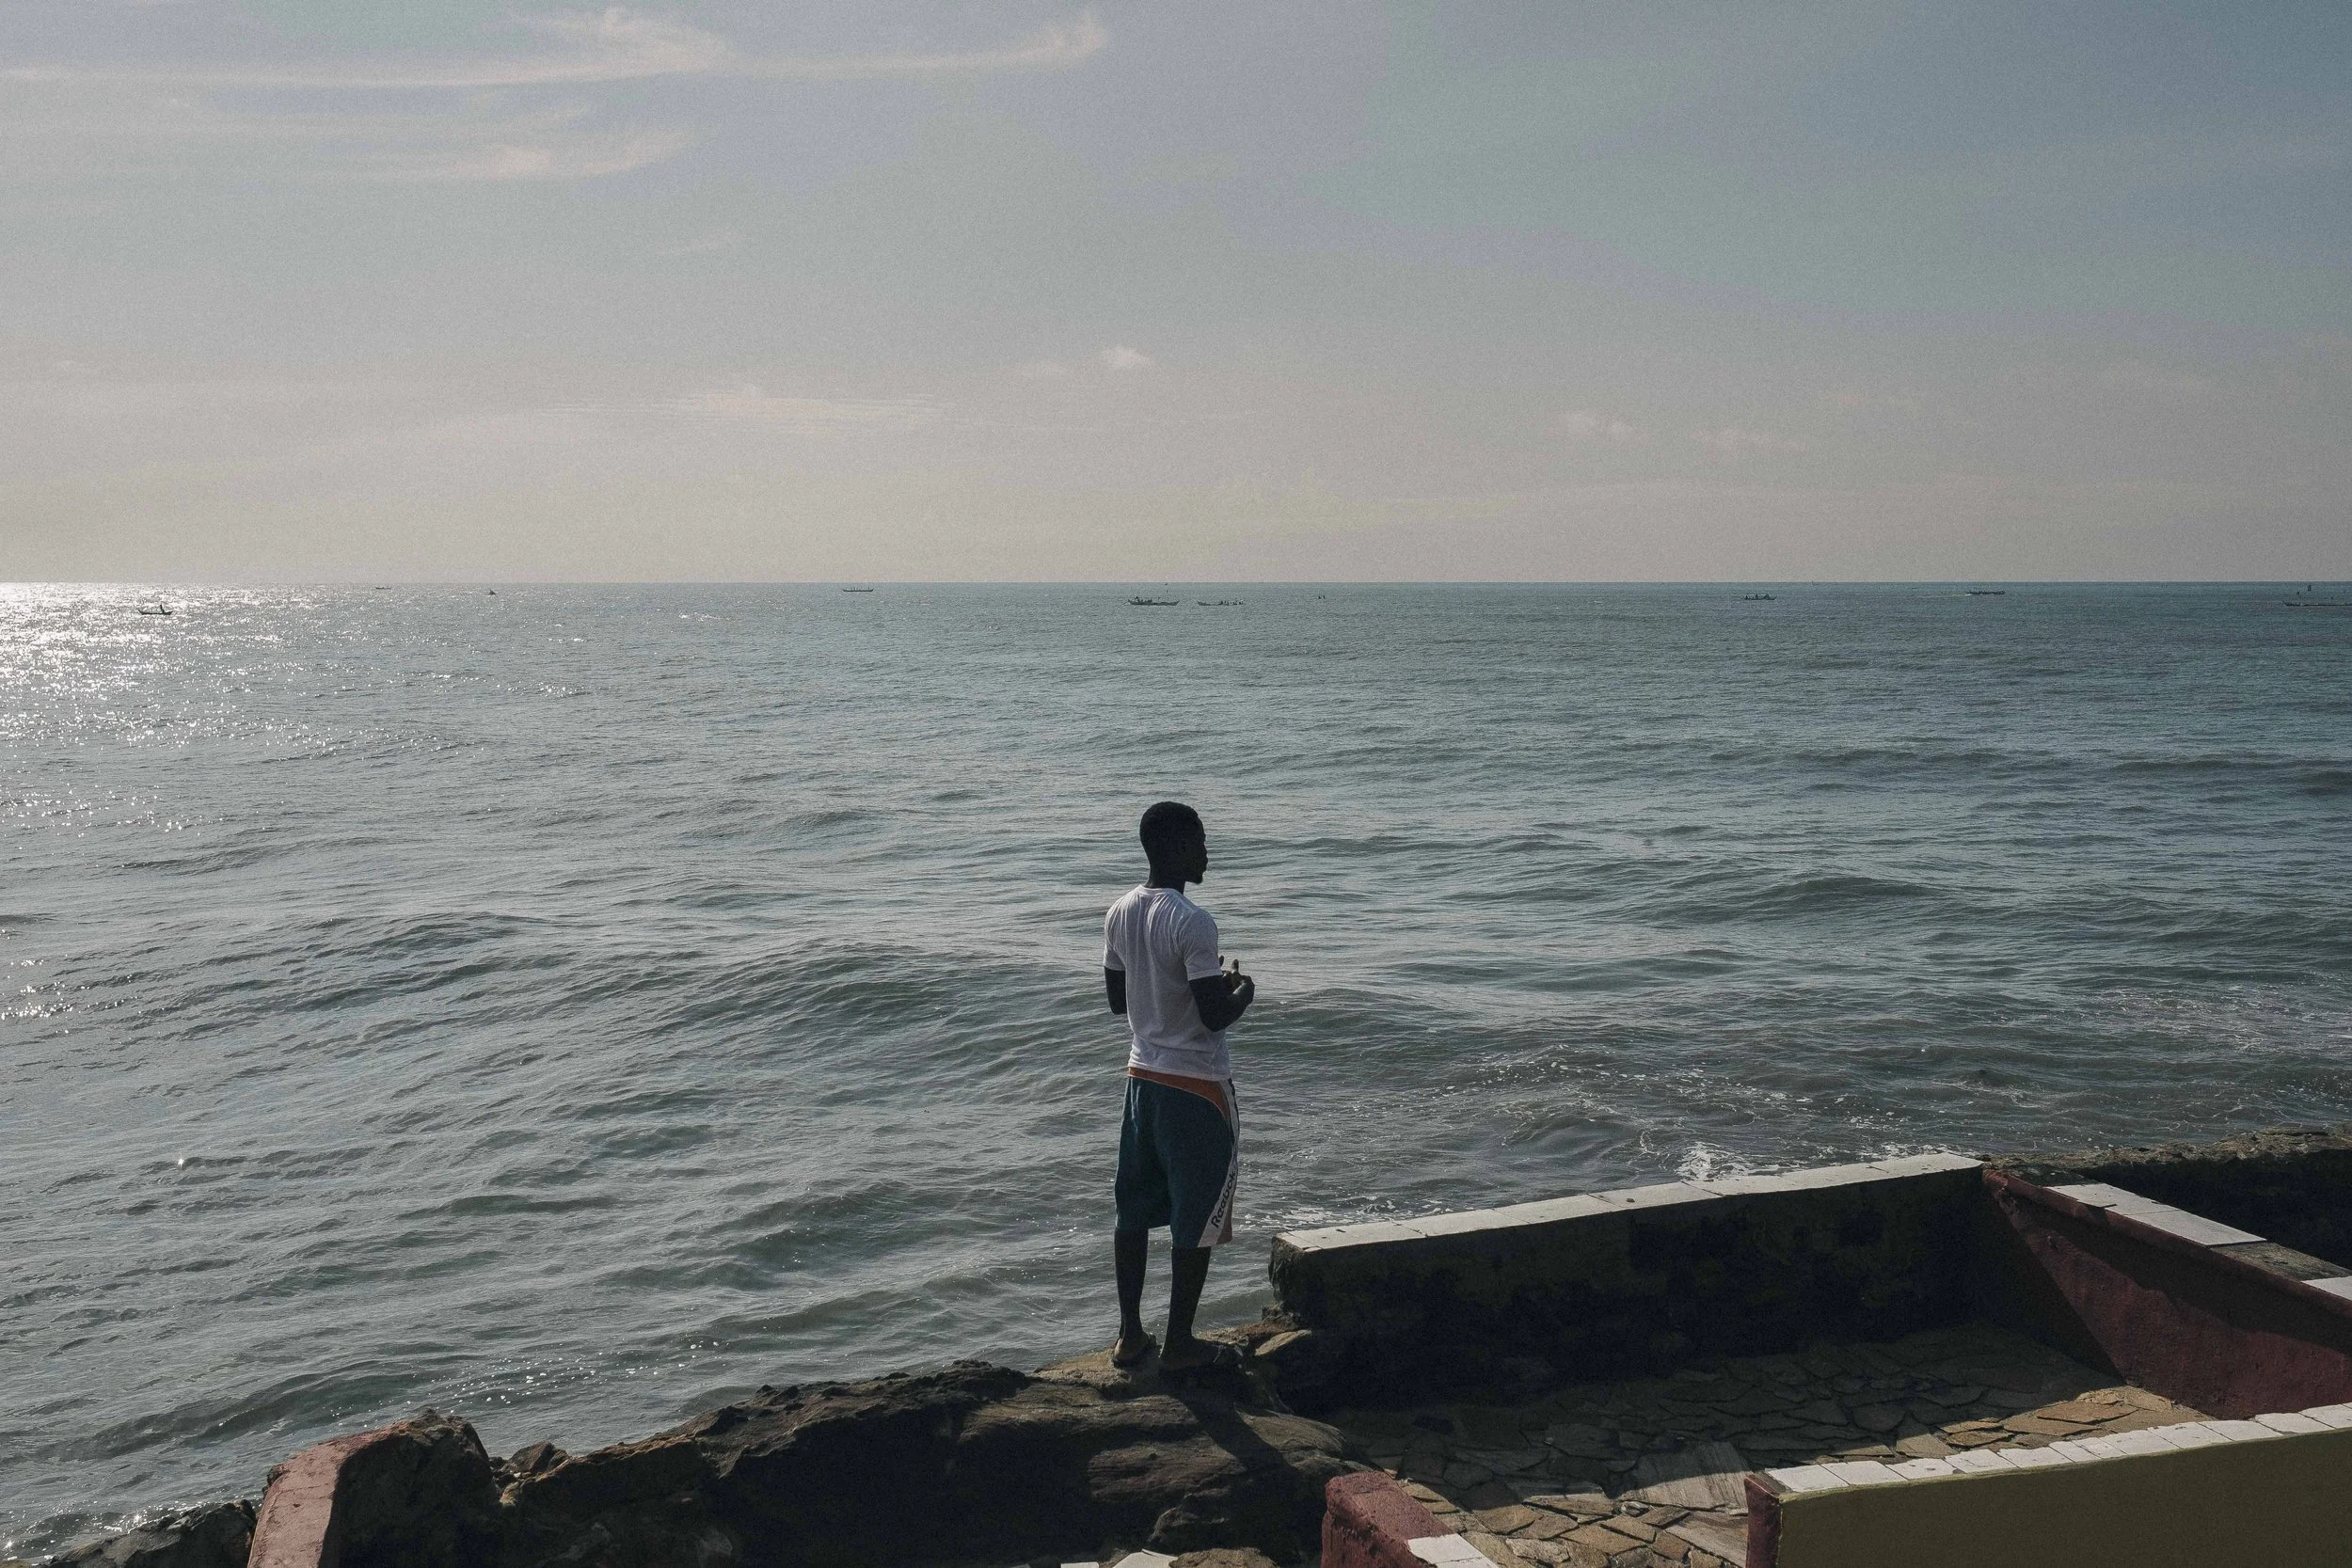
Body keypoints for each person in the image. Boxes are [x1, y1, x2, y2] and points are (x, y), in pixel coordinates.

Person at [1102, 800, 1256, 1372]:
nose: (1206, 851)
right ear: (1170, 848)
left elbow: (1119, 1002)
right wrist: (1243, 990)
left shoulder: (1119, 911)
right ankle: (1181, 1343)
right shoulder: (1193, 921)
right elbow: (1214, 1017)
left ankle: (1129, 1336)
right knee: (1197, 1215)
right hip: (1196, 1085)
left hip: (1141, 1079)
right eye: (1198, 841)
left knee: (1134, 1210)